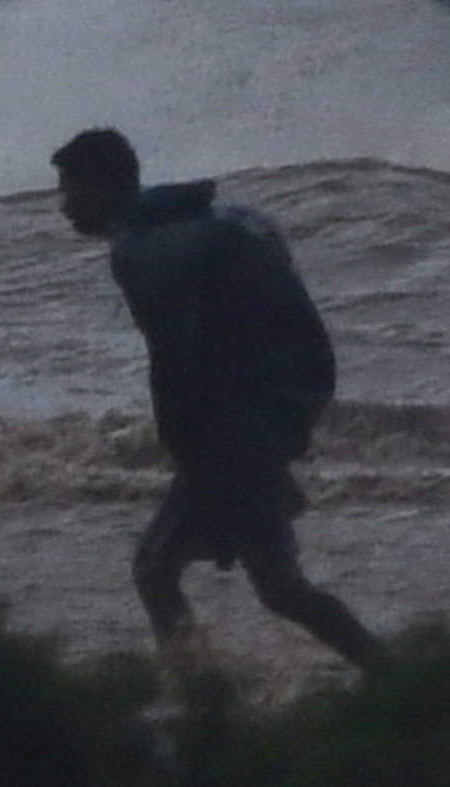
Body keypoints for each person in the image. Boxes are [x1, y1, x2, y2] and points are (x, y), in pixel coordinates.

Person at [49, 126, 379, 669]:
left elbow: (173, 362)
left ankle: (196, 693)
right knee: (280, 587)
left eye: (69, 189)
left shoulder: (138, 251)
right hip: (282, 399)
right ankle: (396, 675)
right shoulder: (207, 218)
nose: (63, 207)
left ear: (102, 188)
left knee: (157, 569)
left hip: (238, 425)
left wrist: (190, 452)